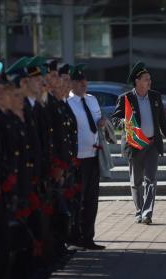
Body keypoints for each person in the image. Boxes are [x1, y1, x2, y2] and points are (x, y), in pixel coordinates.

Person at [111, 62, 166, 225]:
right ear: (137, 81)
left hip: (151, 144)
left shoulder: (155, 96)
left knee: (151, 179)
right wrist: (124, 122)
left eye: (150, 79)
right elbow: (114, 120)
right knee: (136, 181)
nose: (149, 82)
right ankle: (139, 211)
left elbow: (162, 121)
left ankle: (147, 213)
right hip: (135, 145)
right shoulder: (126, 98)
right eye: (145, 79)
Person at [67, 64, 105, 250]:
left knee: (91, 199)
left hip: (93, 155)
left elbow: (97, 121)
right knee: (77, 199)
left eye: (85, 80)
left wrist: (102, 123)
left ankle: (88, 237)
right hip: (78, 157)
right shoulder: (68, 102)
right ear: (72, 83)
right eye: (79, 80)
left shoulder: (92, 99)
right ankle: (74, 236)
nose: (83, 83)